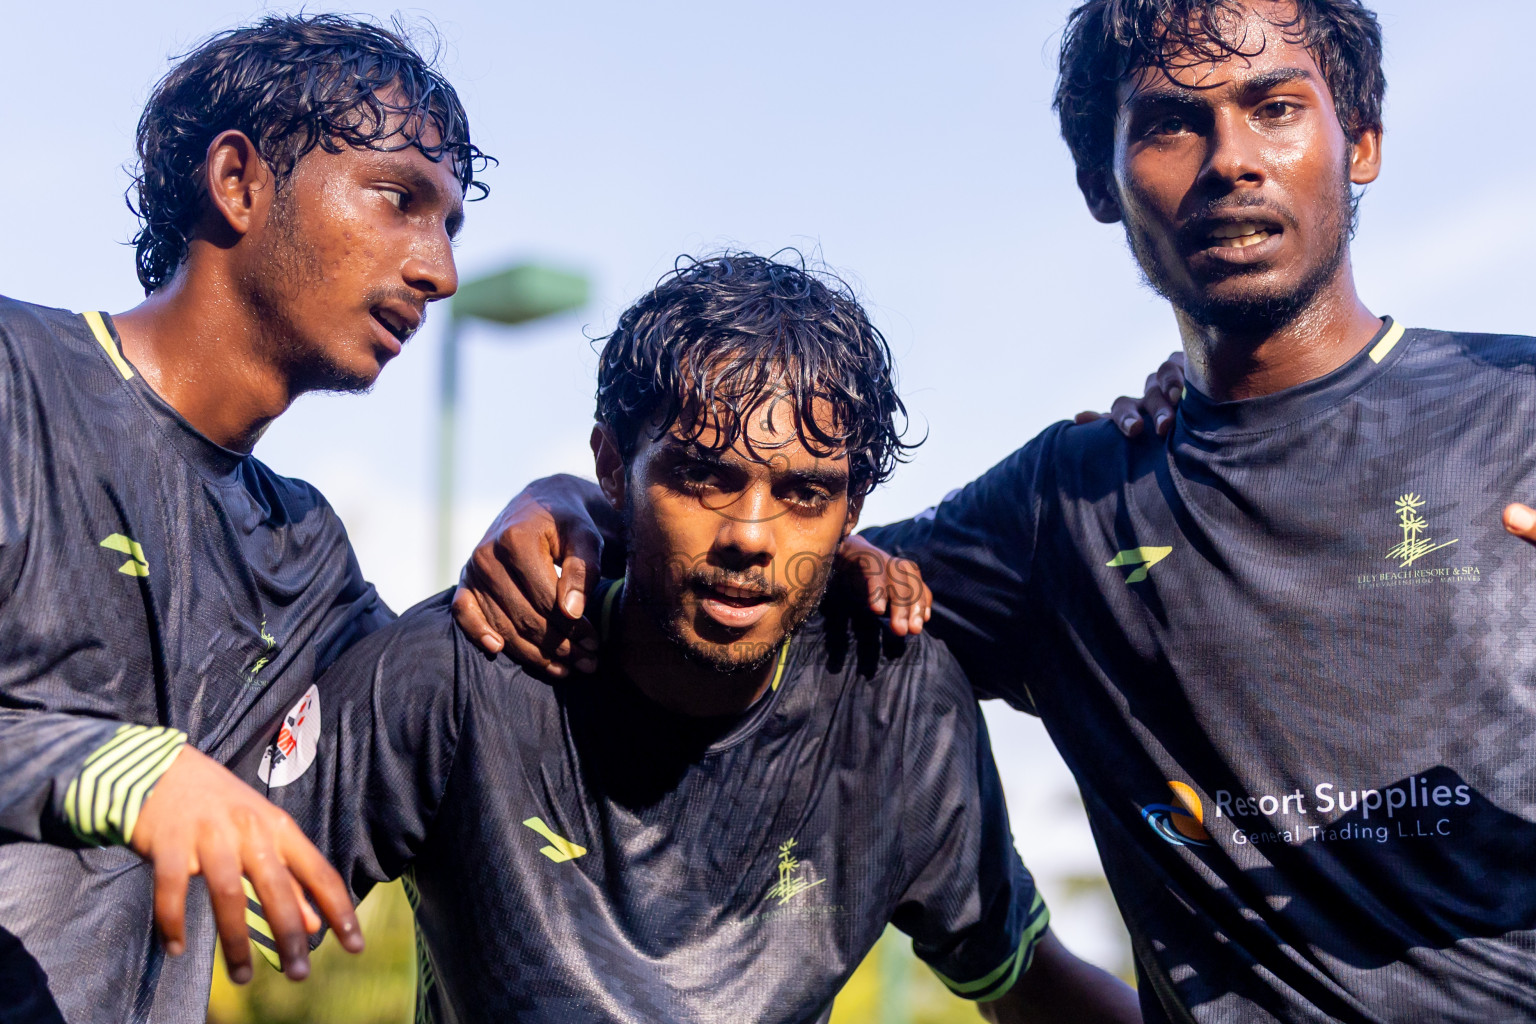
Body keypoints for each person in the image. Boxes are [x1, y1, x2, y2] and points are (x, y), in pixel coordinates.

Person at [461, 1, 1536, 1020]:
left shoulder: (1520, 416)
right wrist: (574, 507)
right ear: (1100, 181)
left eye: (1277, 106)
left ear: (1363, 142)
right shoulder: (1062, 508)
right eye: (1170, 122)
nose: (1232, 159)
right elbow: (764, 563)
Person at [259, 253, 1142, 1023]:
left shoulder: (895, 696)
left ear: (851, 513)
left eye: (803, 494)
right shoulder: (466, 664)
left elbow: (1026, 982)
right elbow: (193, 909)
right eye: (704, 478)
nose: (750, 535)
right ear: (612, 470)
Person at [0, 14, 537, 1022]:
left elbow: (449, 710)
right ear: (239, 181)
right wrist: (126, 770)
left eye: (450, 228)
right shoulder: (16, 380)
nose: (440, 271)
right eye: (398, 199)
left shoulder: (307, 557)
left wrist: (570, 507)